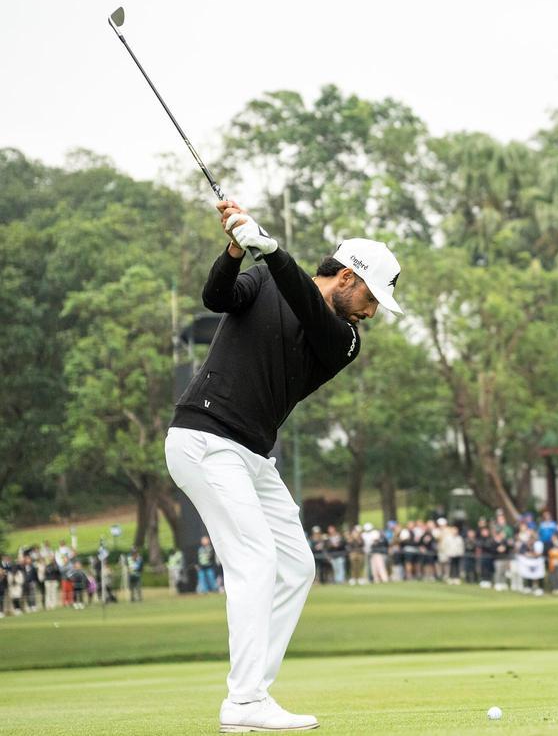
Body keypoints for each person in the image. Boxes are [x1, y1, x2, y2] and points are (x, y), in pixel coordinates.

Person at [164, 199, 404, 733]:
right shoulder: (266, 281)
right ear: (347, 277)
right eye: (370, 296)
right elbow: (216, 297)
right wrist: (235, 249)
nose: (370, 311)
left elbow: (306, 302)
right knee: (255, 560)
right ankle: (244, 701)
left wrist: (270, 248)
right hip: (204, 438)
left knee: (296, 566)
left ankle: (253, 693)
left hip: (251, 454)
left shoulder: (343, 340)